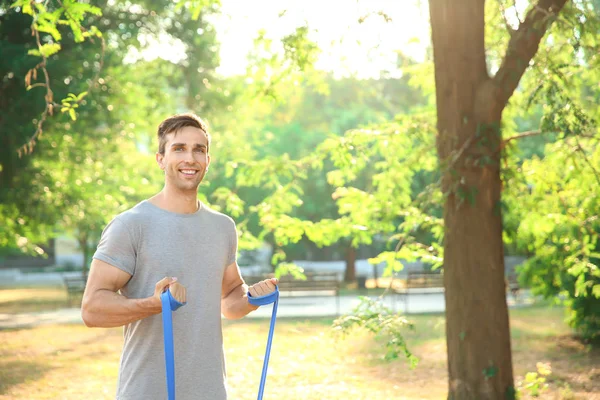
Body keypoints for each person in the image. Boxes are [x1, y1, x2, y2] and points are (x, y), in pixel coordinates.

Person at [81, 113, 278, 400]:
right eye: (179, 148)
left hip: (210, 392)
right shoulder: (131, 225)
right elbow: (92, 309)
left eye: (199, 149)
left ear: (207, 161)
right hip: (147, 392)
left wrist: (251, 298)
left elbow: (230, 301)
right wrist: (153, 304)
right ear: (160, 159)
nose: (190, 158)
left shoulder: (222, 227)